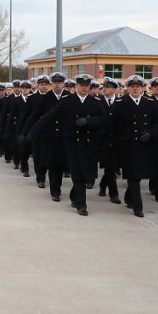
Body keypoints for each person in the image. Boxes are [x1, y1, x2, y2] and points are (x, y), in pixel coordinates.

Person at [32, 74, 107, 215]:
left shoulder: (96, 101)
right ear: (76, 86)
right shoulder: (68, 101)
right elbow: (49, 116)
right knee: (77, 173)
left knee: (85, 173)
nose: (84, 88)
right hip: (71, 142)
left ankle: (75, 196)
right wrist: (32, 132)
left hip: (88, 143)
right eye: (81, 85)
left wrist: (88, 121)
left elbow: (104, 120)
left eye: (86, 85)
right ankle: (82, 205)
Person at [110, 75, 158, 217]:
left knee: (138, 176)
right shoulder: (120, 103)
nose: (135, 89)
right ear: (128, 88)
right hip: (127, 146)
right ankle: (138, 207)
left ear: (143, 88)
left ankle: (128, 197)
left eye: (138, 86)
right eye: (132, 86)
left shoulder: (150, 102)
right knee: (133, 176)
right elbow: (112, 125)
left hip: (144, 145)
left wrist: (150, 134)